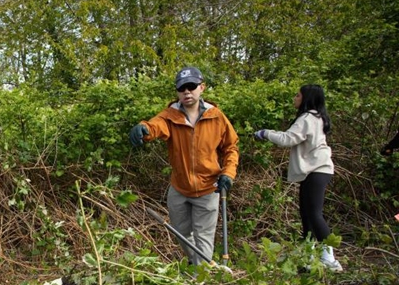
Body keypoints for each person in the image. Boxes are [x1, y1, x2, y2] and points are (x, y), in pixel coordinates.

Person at [129, 66, 239, 266]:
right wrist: (144, 129)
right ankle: (198, 264)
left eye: (191, 87)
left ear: (201, 87)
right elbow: (156, 126)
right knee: (181, 234)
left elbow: (231, 147)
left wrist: (228, 173)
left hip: (208, 189)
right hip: (179, 188)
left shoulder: (217, 117)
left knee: (203, 237)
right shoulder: (170, 115)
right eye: (182, 88)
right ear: (177, 92)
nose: (187, 92)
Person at [254, 84, 342, 271]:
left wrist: (265, 133)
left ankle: (330, 258)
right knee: (306, 214)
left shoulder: (308, 117)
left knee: (314, 214)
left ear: (306, 98)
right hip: (315, 170)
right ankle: (308, 255)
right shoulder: (316, 117)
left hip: (317, 170)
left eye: (297, 95)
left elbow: (288, 139)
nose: (295, 98)